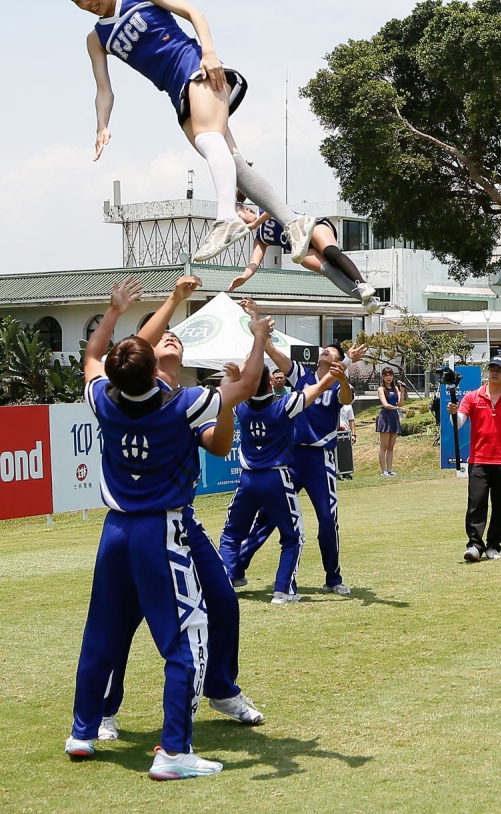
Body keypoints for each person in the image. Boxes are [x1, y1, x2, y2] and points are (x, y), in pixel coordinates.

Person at [34, 0, 310, 263]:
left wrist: (210, 52)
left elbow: (193, 12)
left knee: (207, 139)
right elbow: (104, 90)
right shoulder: (97, 38)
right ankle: (293, 221)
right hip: (175, 92)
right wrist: (102, 125)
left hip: (197, 69)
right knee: (232, 163)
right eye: (77, 3)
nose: (86, 4)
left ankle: (226, 219)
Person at [63, 277, 272, 780]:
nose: (168, 338)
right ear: (154, 363)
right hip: (162, 529)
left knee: (103, 630)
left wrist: (119, 311)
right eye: (159, 341)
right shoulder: (183, 402)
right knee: (185, 637)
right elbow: (243, 390)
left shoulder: (104, 398)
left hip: (118, 529)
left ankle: (84, 729)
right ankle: (174, 750)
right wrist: (259, 337)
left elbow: (98, 355)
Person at [232, 340, 369, 594]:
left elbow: (347, 398)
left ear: (338, 360)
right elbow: (273, 351)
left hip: (320, 460)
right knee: (267, 516)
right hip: (292, 458)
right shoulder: (302, 376)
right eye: (324, 350)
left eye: (332, 352)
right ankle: (237, 569)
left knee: (328, 520)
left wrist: (343, 377)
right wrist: (258, 326)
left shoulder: (337, 381)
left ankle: (333, 578)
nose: (325, 352)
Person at [218, 359, 342, 603]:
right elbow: (320, 387)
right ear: (269, 383)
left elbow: (224, 390)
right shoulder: (283, 404)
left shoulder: (240, 406)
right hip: (277, 478)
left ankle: (226, 581)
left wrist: (236, 378)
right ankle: (283, 590)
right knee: (292, 536)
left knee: (231, 534)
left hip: (247, 479)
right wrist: (340, 368)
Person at [226, 195, 380, 312]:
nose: (243, 224)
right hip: (301, 247)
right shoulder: (261, 238)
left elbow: (273, 206)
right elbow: (255, 261)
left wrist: (255, 223)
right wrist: (244, 277)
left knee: (330, 252)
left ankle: (363, 284)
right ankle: (367, 300)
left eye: (241, 219)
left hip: (310, 228)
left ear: (247, 209)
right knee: (329, 271)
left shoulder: (262, 210)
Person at [447, 354, 501, 562]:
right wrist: (452, 413)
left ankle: (493, 545)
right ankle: (475, 545)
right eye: (492, 368)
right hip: (478, 460)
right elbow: (458, 423)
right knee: (477, 503)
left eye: (499, 370)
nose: (494, 372)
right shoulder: (473, 397)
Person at [376, 367, 404, 478]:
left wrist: (402, 391)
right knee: (384, 446)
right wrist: (396, 407)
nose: (389, 377)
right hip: (385, 417)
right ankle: (383, 471)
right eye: (386, 375)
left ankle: (390, 469)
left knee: (391, 446)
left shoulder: (396, 388)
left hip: (394, 417)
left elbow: (401, 404)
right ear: (383, 377)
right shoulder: (381, 389)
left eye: (390, 375)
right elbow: (385, 404)